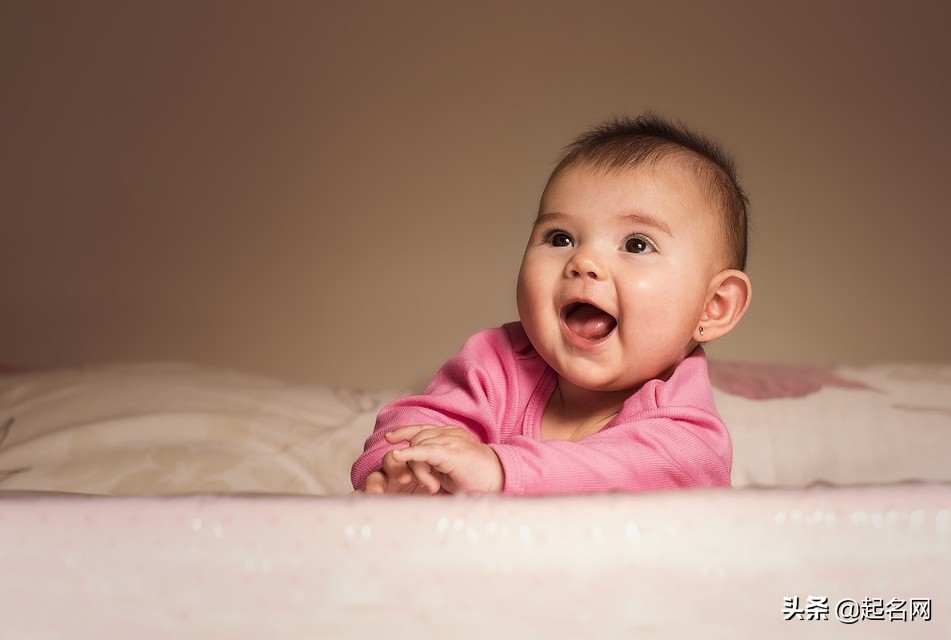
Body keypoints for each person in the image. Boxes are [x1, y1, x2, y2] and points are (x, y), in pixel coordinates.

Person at [351, 113, 752, 496]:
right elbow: (419, 421)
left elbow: (621, 472)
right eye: (560, 238)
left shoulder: (690, 437)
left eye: (636, 244)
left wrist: (499, 469)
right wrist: (405, 467)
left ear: (713, 307)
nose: (584, 263)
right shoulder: (498, 361)